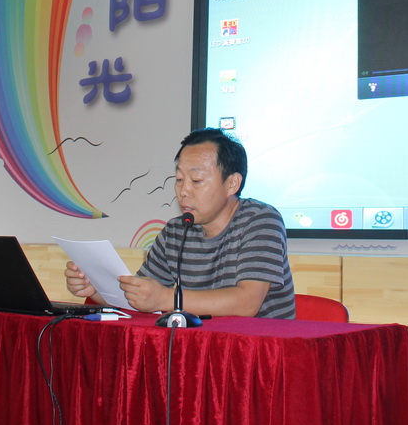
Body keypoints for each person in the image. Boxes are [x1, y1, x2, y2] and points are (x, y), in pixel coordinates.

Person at [65, 128, 295, 319]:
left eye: (196, 180)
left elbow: (247, 303)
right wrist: (96, 289)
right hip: (198, 349)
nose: (183, 191)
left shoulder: (261, 220)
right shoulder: (176, 231)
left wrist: (166, 298)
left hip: (260, 353)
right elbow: (142, 299)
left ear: (232, 183)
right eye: (179, 179)